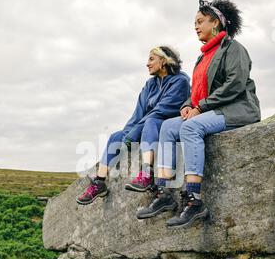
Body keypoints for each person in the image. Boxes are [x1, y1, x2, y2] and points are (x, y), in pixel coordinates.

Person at [136, 0, 261, 228]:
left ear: (216, 23)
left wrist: (200, 107)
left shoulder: (233, 48)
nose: (195, 26)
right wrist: (187, 104)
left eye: (200, 21)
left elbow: (235, 83)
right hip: (210, 109)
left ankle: (194, 201)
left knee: (190, 127)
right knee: (167, 126)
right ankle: (164, 193)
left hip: (236, 110)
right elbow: (195, 91)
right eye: (194, 22)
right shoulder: (202, 57)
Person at [76, 46, 190, 205]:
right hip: (146, 125)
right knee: (116, 136)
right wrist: (127, 134)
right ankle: (99, 182)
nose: (147, 64)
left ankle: (146, 173)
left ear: (163, 61)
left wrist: (133, 134)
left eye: (151, 59)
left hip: (165, 125)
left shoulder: (181, 81)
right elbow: (138, 114)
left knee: (150, 121)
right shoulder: (150, 84)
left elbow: (160, 111)